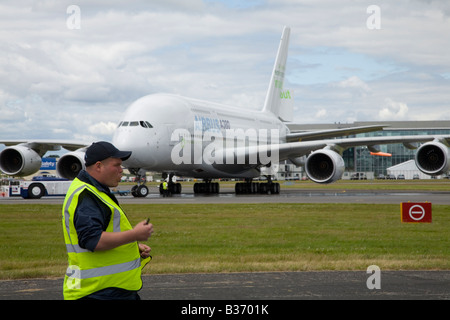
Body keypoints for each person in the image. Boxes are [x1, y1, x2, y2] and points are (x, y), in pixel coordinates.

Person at [61, 141, 153, 300]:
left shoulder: (94, 192)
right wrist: (134, 235)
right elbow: (93, 240)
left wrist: (131, 247)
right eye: (116, 165)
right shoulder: (87, 196)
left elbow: (104, 233)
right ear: (98, 166)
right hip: (98, 292)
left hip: (107, 289)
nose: (121, 171)